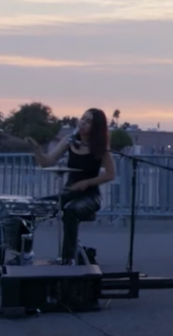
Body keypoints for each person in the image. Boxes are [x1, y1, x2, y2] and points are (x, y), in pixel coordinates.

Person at [27, 108, 116, 264]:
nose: (83, 123)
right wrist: (38, 151)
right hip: (69, 192)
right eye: (83, 119)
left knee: (71, 210)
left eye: (89, 121)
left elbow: (111, 174)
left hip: (90, 196)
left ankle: (68, 259)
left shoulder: (100, 148)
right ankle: (24, 253)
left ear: (96, 127)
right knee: (33, 206)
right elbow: (46, 162)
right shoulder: (69, 141)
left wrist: (87, 182)